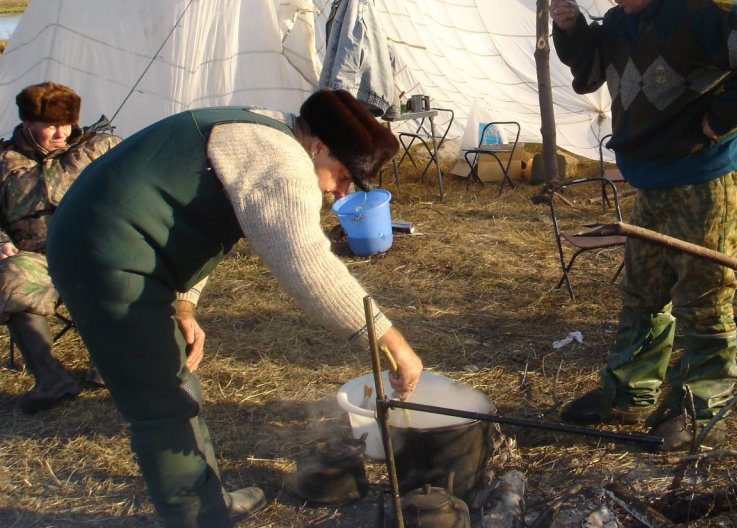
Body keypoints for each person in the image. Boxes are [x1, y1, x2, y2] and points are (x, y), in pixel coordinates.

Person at [46, 89, 424, 528]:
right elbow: (308, 267)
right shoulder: (282, 161)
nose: (340, 193)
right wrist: (391, 339)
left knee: (180, 379)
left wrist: (185, 305)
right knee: (162, 399)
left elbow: (198, 213)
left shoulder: (264, 130)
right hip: (103, 250)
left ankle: (209, 502)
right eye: (342, 175)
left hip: (123, 239)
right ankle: (199, 518)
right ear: (319, 146)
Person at [550, 0, 737, 450]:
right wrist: (572, 31)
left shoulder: (700, 7)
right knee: (643, 289)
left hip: (705, 181)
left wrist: (722, 117)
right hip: (655, 181)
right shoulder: (626, 16)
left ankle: (701, 405)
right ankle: (628, 394)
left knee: (704, 294)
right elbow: (594, 68)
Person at [0, 81, 119, 413]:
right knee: (11, 274)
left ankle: (110, 369)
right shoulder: (5, 161)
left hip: (93, 252)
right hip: (35, 258)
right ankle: (51, 379)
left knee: (121, 274)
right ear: (27, 124)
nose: (60, 133)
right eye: (49, 125)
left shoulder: (99, 148)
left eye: (65, 123)